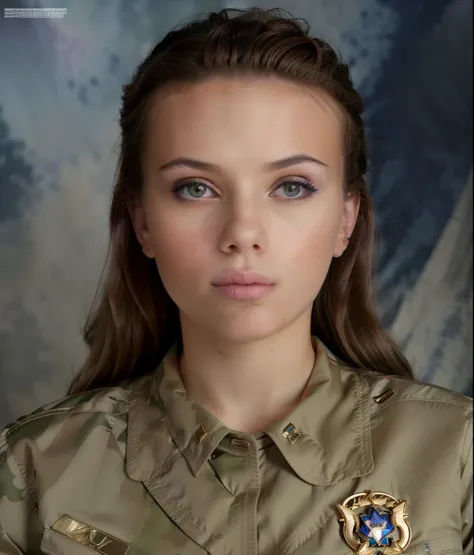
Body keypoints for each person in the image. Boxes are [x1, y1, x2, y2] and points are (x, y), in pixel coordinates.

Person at [0, 7, 471, 555]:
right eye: (196, 188)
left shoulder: (456, 457)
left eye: (292, 187)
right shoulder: (33, 472)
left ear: (346, 221)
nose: (242, 233)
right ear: (142, 222)